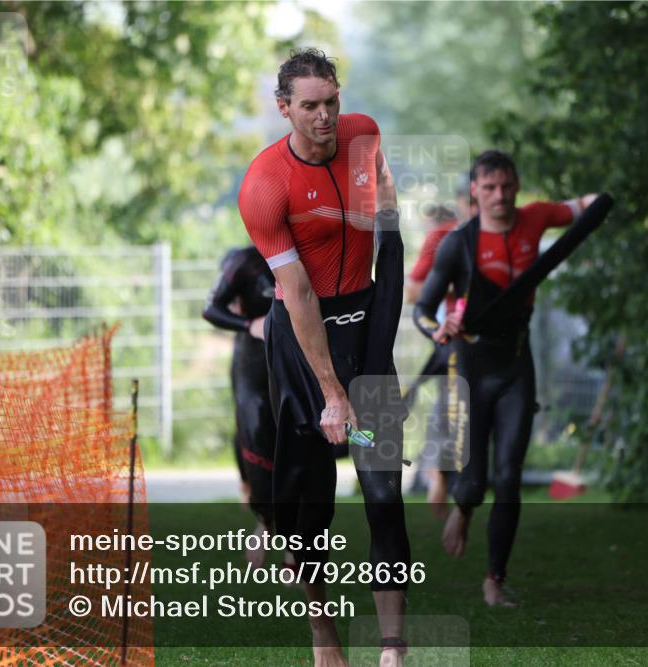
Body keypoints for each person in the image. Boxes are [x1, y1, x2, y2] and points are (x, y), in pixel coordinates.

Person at [238, 48, 409, 667]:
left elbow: (386, 238)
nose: (325, 116)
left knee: (384, 491)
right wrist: (334, 393)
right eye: (309, 106)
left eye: (331, 101)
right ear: (283, 109)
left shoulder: (363, 137)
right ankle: (323, 632)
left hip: (367, 328)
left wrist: (377, 359)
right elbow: (300, 293)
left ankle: (393, 648)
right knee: (308, 508)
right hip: (303, 346)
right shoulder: (264, 185)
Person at [413, 149, 598, 608]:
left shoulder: (535, 218)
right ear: (474, 192)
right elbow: (420, 308)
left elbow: (585, 206)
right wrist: (437, 328)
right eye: (489, 188)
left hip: (517, 364)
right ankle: (463, 507)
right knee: (473, 483)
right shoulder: (458, 243)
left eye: (506, 186)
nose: (499, 196)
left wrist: (606, 201)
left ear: (516, 187)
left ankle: (495, 579)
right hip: (468, 366)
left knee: (509, 475)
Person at [201, 245, 279, 569]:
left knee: (298, 442)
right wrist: (249, 324)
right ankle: (263, 517)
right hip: (253, 361)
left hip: (296, 358)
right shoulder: (243, 262)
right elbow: (212, 309)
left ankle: (297, 545)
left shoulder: (307, 249)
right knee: (253, 432)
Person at [403, 180, 478, 514]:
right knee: (449, 403)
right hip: (452, 337)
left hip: (481, 340)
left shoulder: (447, 235)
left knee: (458, 407)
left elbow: (413, 291)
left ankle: (439, 473)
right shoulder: (445, 237)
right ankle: (437, 474)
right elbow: (414, 292)